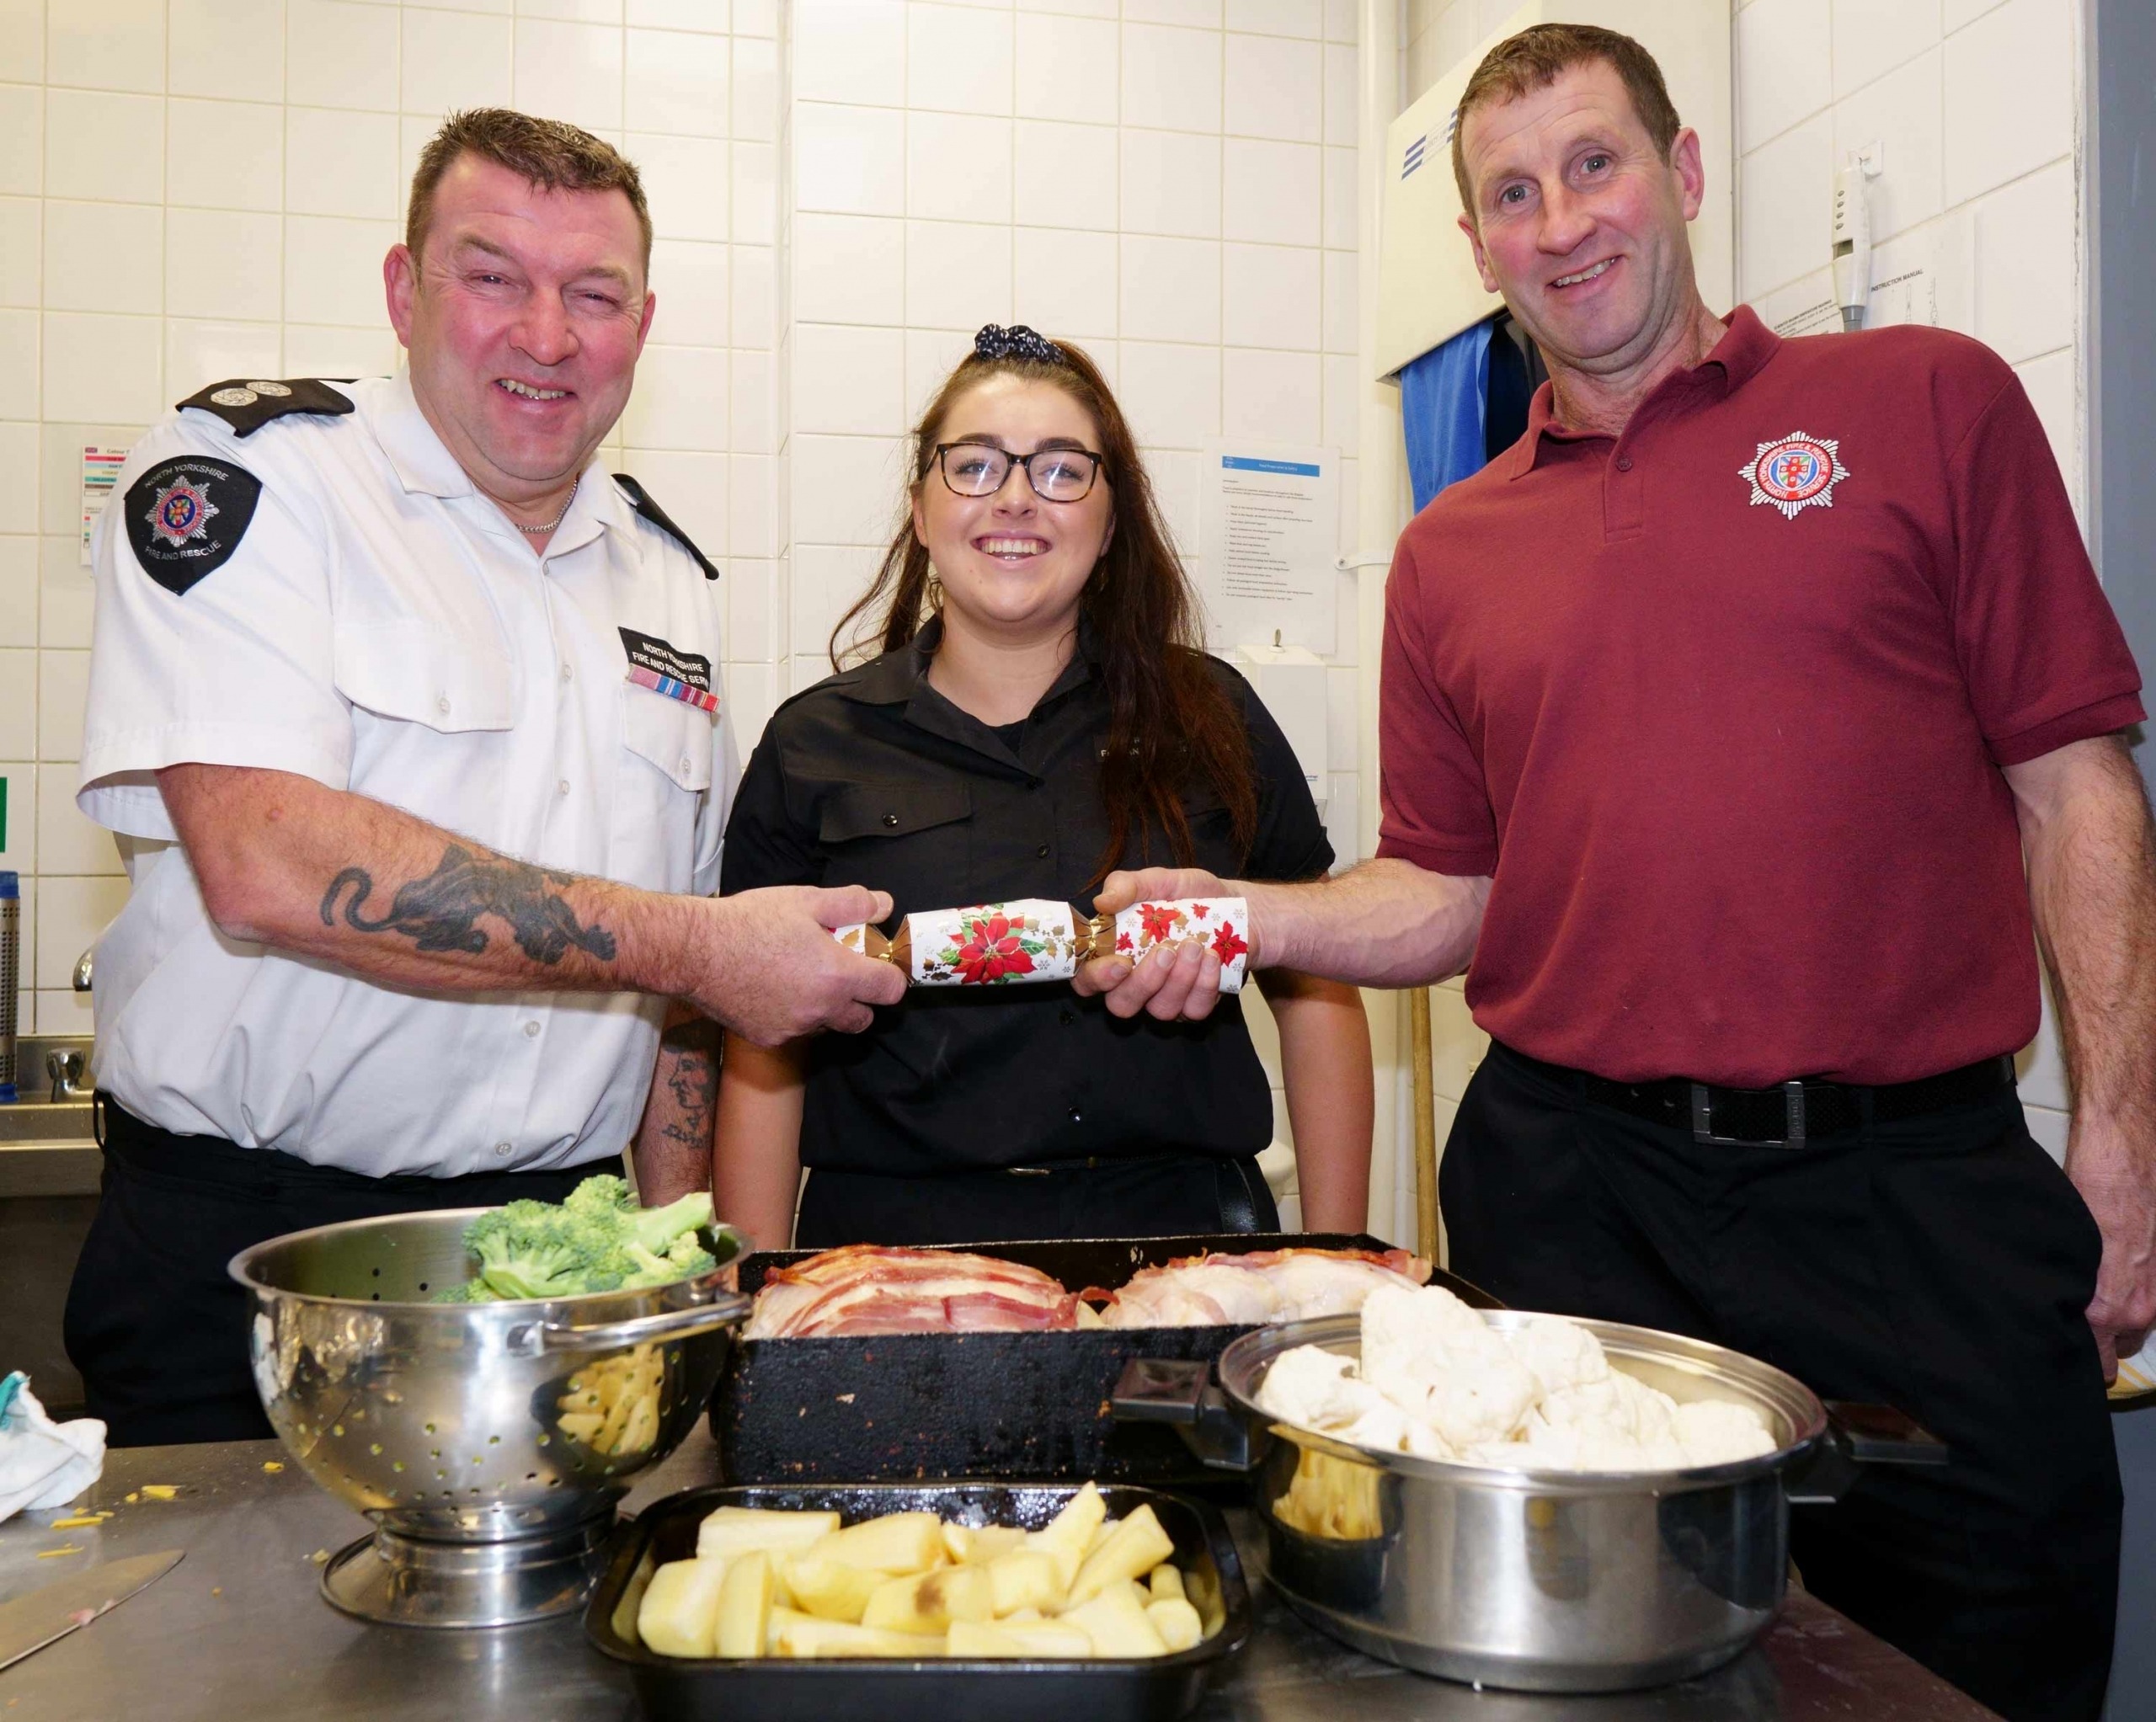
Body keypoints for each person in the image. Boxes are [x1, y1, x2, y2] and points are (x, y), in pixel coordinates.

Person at [1075, 26, 2153, 1722]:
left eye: (1594, 165)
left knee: (1982, 1644)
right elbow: (1450, 884)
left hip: (1911, 1201)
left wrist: (2115, 1137)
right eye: (1511, 193)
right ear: (1474, 246)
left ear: (1684, 172)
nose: (1562, 220)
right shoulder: (1448, 550)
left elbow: (2072, 782)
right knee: (1562, 1685)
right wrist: (1251, 914)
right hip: (1577, 1199)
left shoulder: (1923, 401)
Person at [67, 109, 901, 1447]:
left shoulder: (668, 582)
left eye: (594, 295)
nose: (547, 335)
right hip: (251, 1251)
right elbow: (264, 862)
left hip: (561, 1257)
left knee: (563, 1657)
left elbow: (684, 1011)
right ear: (405, 289)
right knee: (228, 1650)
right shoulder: (260, 479)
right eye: (493, 276)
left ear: (645, 323)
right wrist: (701, 947)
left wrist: (663, 1267)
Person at [712, 325, 1374, 1250]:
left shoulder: (1211, 714)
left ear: (1110, 518)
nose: (1017, 498)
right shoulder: (813, 741)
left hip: (1181, 1241)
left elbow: (1317, 988)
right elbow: (761, 1038)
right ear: (919, 506)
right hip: (886, 1253)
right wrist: (750, 1301)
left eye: (1063, 470)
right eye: (975, 466)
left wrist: (1338, 1267)